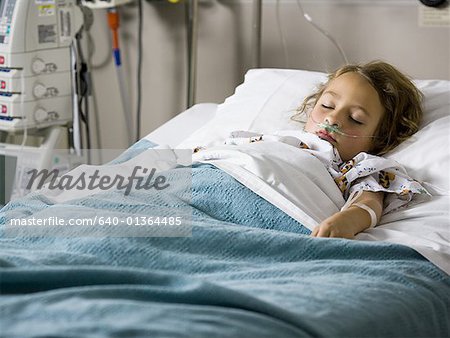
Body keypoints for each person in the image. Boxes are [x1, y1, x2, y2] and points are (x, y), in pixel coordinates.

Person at [294, 60, 425, 239]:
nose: (332, 119)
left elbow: (368, 203)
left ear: (379, 139)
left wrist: (347, 220)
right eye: (327, 106)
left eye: (355, 119)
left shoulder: (358, 167)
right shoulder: (278, 139)